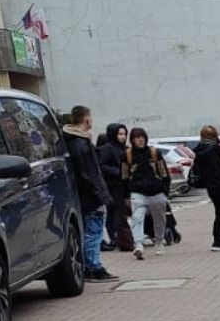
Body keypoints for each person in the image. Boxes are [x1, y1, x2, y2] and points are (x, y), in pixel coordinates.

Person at [63, 106, 116, 282]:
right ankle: (94, 267)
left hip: (81, 196)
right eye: (90, 118)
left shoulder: (71, 141)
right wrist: (101, 194)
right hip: (89, 197)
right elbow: (89, 173)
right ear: (86, 120)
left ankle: (89, 266)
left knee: (88, 232)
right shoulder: (81, 144)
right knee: (93, 232)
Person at [123, 128, 171, 260]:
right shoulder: (127, 155)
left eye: (142, 137)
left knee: (159, 219)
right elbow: (124, 176)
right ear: (132, 140)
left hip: (156, 191)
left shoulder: (154, 153)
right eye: (137, 137)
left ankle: (159, 241)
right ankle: (138, 245)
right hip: (137, 192)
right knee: (137, 218)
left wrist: (165, 190)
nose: (140, 139)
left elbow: (164, 172)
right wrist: (126, 194)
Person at [97, 124, 135, 253]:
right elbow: (102, 166)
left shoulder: (126, 149)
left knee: (122, 212)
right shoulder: (108, 148)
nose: (123, 137)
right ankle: (116, 238)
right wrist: (118, 172)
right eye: (120, 134)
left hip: (126, 185)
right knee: (116, 212)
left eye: (124, 134)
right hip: (114, 186)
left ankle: (122, 237)